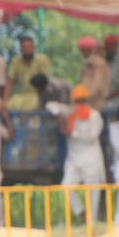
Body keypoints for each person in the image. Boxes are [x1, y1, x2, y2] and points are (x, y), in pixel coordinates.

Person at [47, 83, 106, 222]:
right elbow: (50, 105)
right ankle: (81, 213)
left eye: (82, 101)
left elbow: (92, 137)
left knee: (92, 191)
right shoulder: (69, 112)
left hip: (91, 158)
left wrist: (73, 133)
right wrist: (59, 114)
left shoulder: (94, 116)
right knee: (66, 187)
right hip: (73, 159)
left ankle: (92, 223)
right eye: (77, 101)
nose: (79, 104)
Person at [2, 36, 50, 111]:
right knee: (4, 107)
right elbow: (10, 80)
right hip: (21, 96)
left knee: (33, 106)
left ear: (34, 47)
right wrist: (4, 100)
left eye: (29, 46)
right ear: (20, 49)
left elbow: (44, 81)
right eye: (24, 47)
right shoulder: (16, 61)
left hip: (37, 95)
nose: (27, 49)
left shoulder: (42, 59)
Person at [77, 36, 111, 111]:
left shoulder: (100, 64)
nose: (85, 53)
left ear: (93, 50)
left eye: (87, 50)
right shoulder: (87, 65)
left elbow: (97, 86)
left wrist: (82, 97)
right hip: (84, 104)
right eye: (83, 50)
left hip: (95, 104)